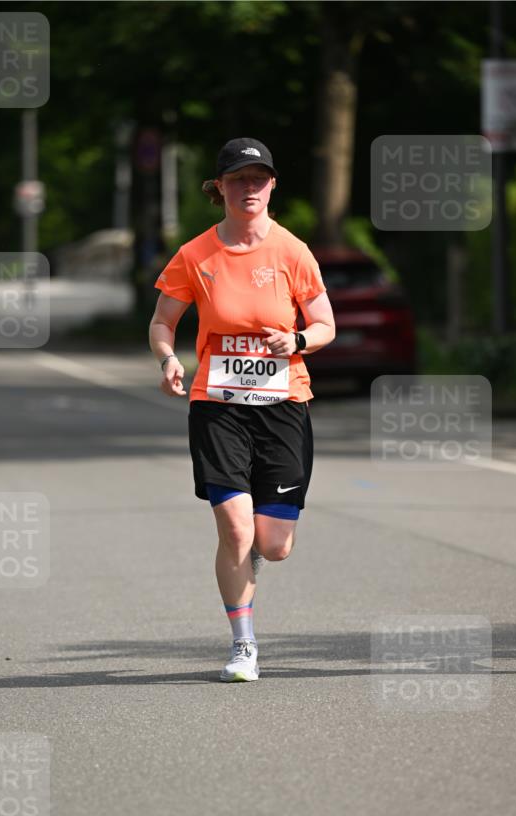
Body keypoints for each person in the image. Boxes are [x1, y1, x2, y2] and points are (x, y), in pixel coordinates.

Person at [148, 137, 335, 682]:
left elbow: (325, 325)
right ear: (220, 188)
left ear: (272, 185)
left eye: (259, 179)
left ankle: (254, 550)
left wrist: (297, 340)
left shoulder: (293, 251)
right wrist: (167, 359)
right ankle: (243, 644)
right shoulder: (195, 254)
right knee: (235, 531)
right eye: (238, 180)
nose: (249, 188)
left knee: (273, 546)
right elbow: (163, 321)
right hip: (218, 406)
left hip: (283, 406)